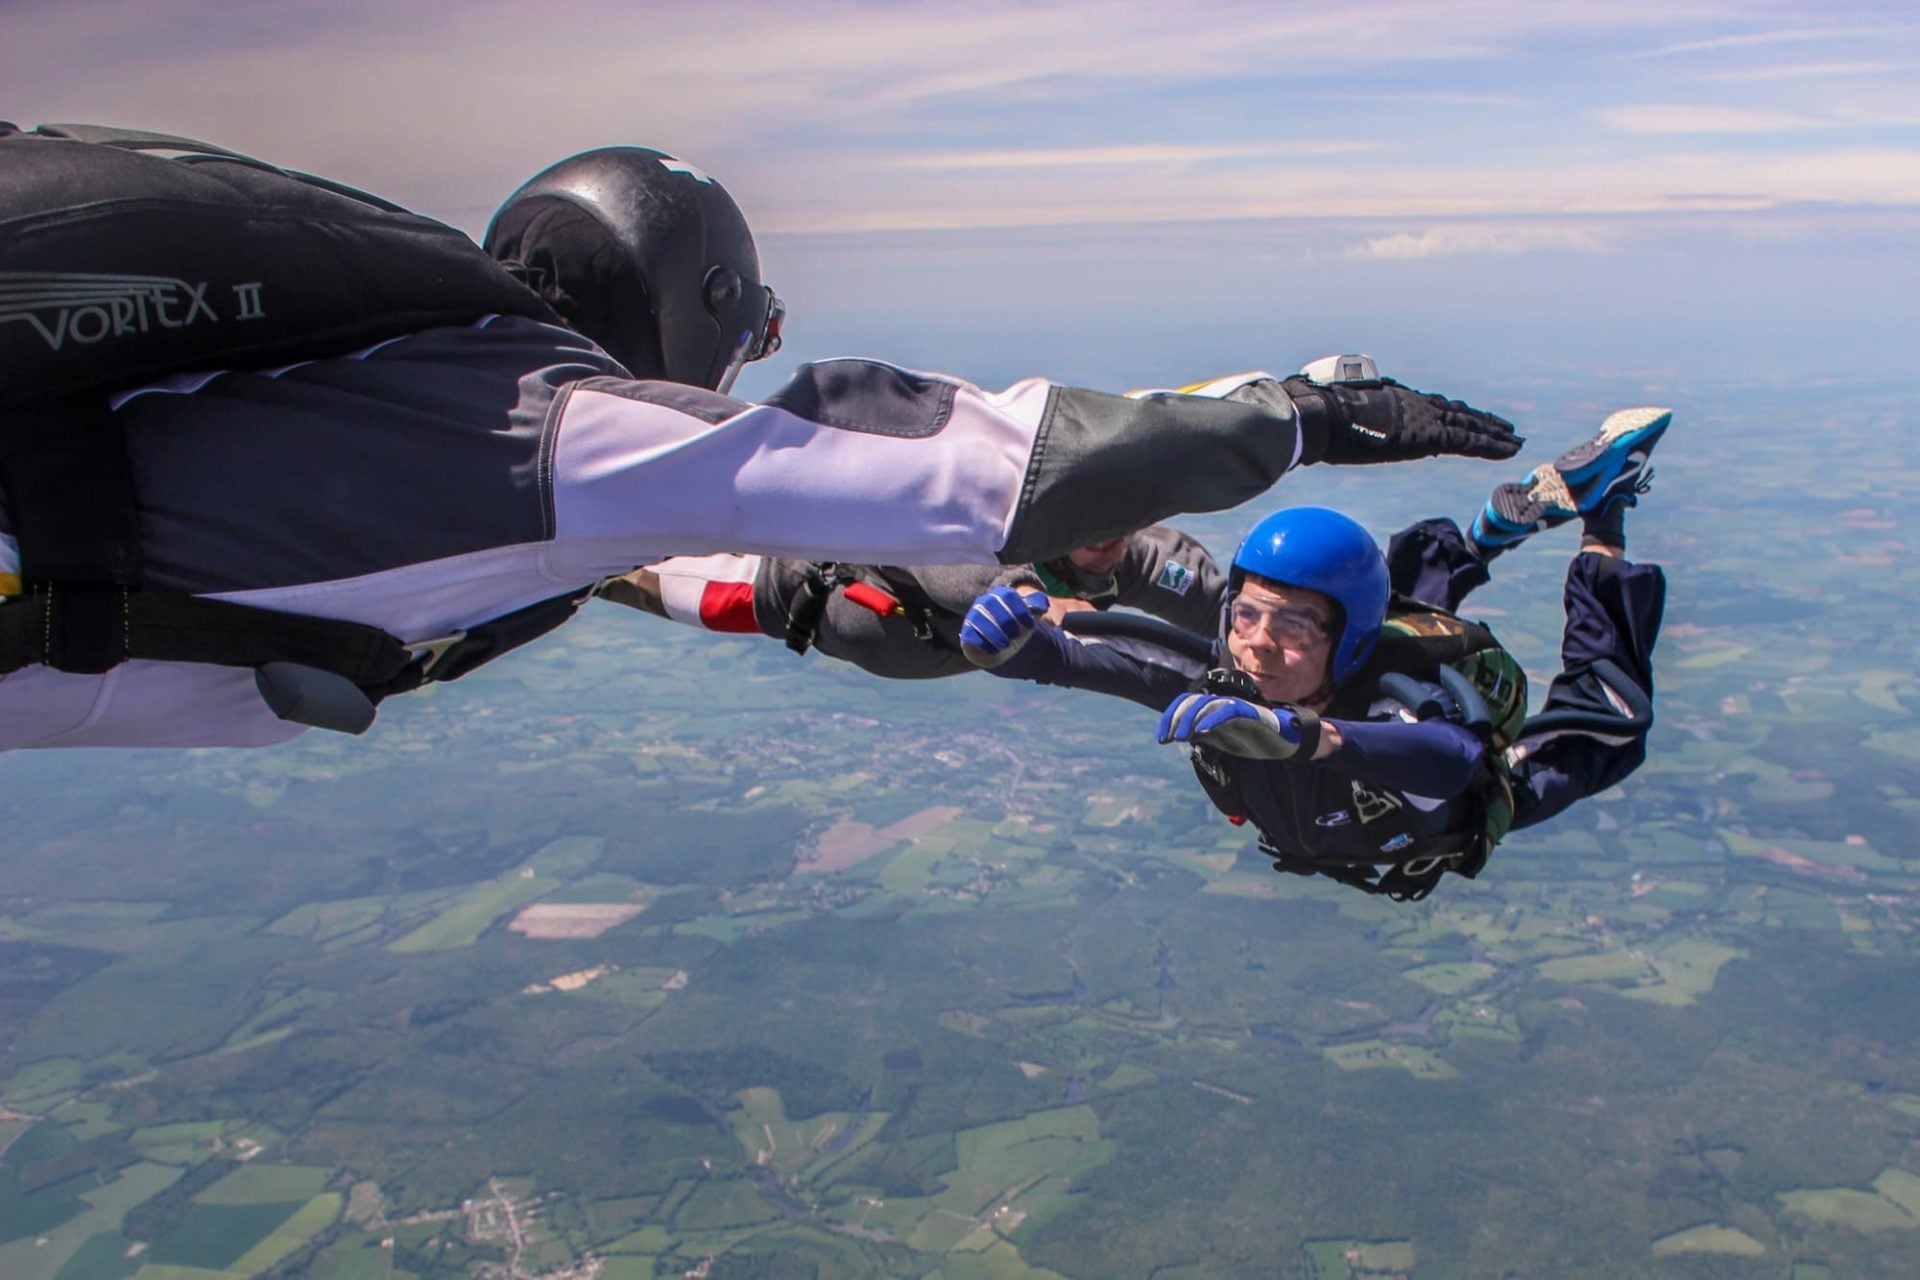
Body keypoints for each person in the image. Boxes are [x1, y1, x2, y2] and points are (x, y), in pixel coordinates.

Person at [0, 143, 1521, 751]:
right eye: (738, 340)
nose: (737, 376)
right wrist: (1310, 414)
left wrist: (856, 608)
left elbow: (701, 578)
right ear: (687, 305)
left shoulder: (420, 412)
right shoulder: (561, 434)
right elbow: (974, 460)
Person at [959, 408, 1669, 899]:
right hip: (1360, 697)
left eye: (1295, 625)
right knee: (1384, 602)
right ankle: (1480, 538)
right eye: (1247, 614)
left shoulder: (1399, 706)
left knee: (1606, 724)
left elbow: (1451, 757)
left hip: (1435, 791)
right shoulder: (1227, 686)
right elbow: (1083, 661)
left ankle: (1603, 516)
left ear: (1342, 637)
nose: (1260, 643)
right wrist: (1011, 648)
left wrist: (1314, 740)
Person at [598, 521, 1224, 681]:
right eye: (1096, 524)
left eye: (1128, 523)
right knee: (588, 564)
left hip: (811, 597)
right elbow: (954, 567)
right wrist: (1017, 600)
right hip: (757, 579)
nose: (1113, 540)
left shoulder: (1129, 553)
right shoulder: (984, 541)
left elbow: (1222, 611)